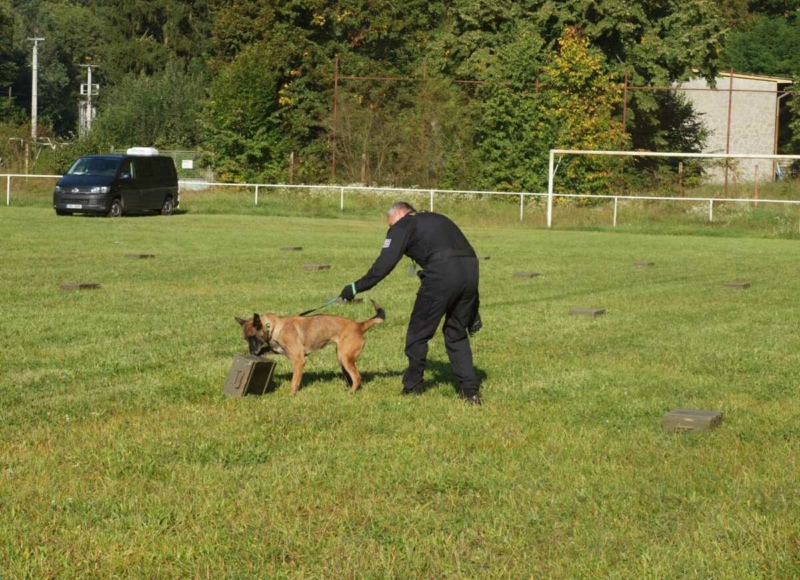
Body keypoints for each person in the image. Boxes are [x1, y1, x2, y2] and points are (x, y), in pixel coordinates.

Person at [339, 201, 483, 404]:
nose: (391, 229)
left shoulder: (403, 225)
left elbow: (383, 266)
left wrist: (354, 288)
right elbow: (461, 253)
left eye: (390, 225)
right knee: (456, 333)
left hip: (441, 275)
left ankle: (412, 387)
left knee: (418, 334)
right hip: (471, 271)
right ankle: (470, 392)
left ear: (398, 214)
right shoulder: (437, 218)